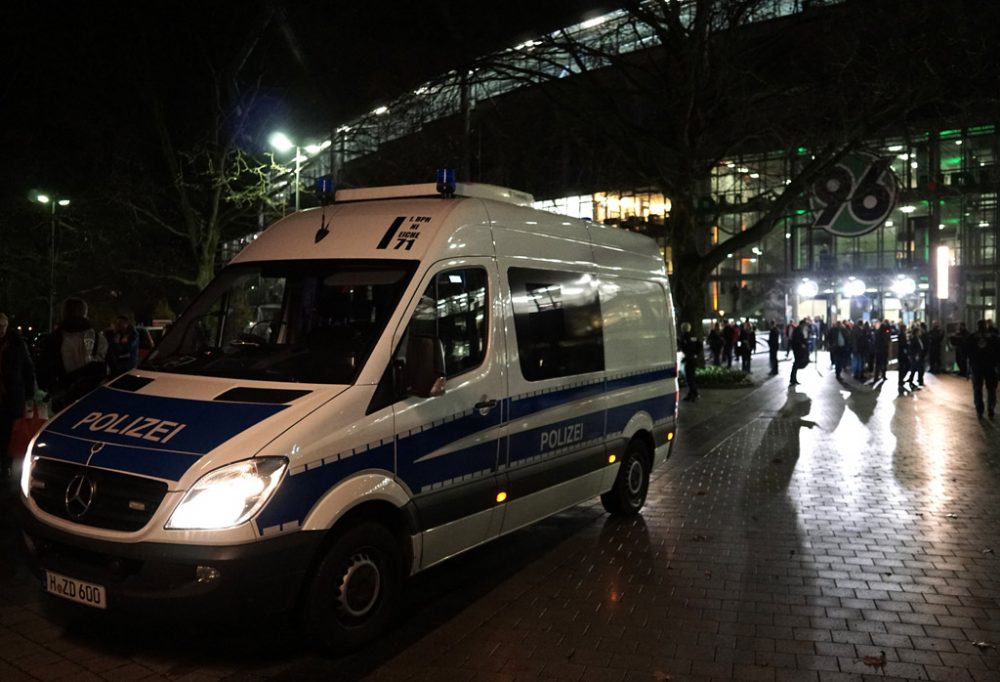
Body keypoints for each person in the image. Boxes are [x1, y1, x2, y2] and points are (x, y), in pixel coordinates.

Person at [38, 297, 109, 413]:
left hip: (64, 397)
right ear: (85, 313)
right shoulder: (98, 337)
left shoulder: (54, 339)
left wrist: (52, 389)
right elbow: (105, 368)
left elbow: (44, 370)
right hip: (93, 397)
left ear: (64, 313)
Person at [0, 313, 36, 479]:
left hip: (12, 394)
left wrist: (29, 394)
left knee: (10, 430)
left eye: (3, 326)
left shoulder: (16, 343)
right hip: (9, 392)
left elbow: (27, 368)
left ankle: (7, 465)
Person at [964, 319, 999, 418]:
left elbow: (966, 352)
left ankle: (979, 409)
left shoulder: (972, 337)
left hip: (977, 366)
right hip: (990, 367)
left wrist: (969, 363)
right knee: (991, 389)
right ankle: (991, 407)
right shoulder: (993, 337)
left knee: (977, 388)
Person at [679, 322, 702, 402]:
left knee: (689, 377)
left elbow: (683, 347)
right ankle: (693, 393)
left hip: (688, 359)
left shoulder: (684, 338)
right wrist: (696, 354)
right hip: (693, 359)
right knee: (692, 376)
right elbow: (700, 345)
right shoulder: (694, 336)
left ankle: (693, 393)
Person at [789, 318, 809, 386]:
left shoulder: (799, 330)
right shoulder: (798, 330)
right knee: (796, 363)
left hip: (798, 349)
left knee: (796, 364)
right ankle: (793, 379)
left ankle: (793, 379)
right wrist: (802, 344)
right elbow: (797, 340)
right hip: (798, 350)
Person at [896, 322, 911, 395]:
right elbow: (903, 345)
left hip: (901, 354)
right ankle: (901, 379)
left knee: (903, 367)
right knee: (904, 366)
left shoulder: (901, 335)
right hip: (902, 354)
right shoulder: (902, 335)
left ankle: (901, 379)